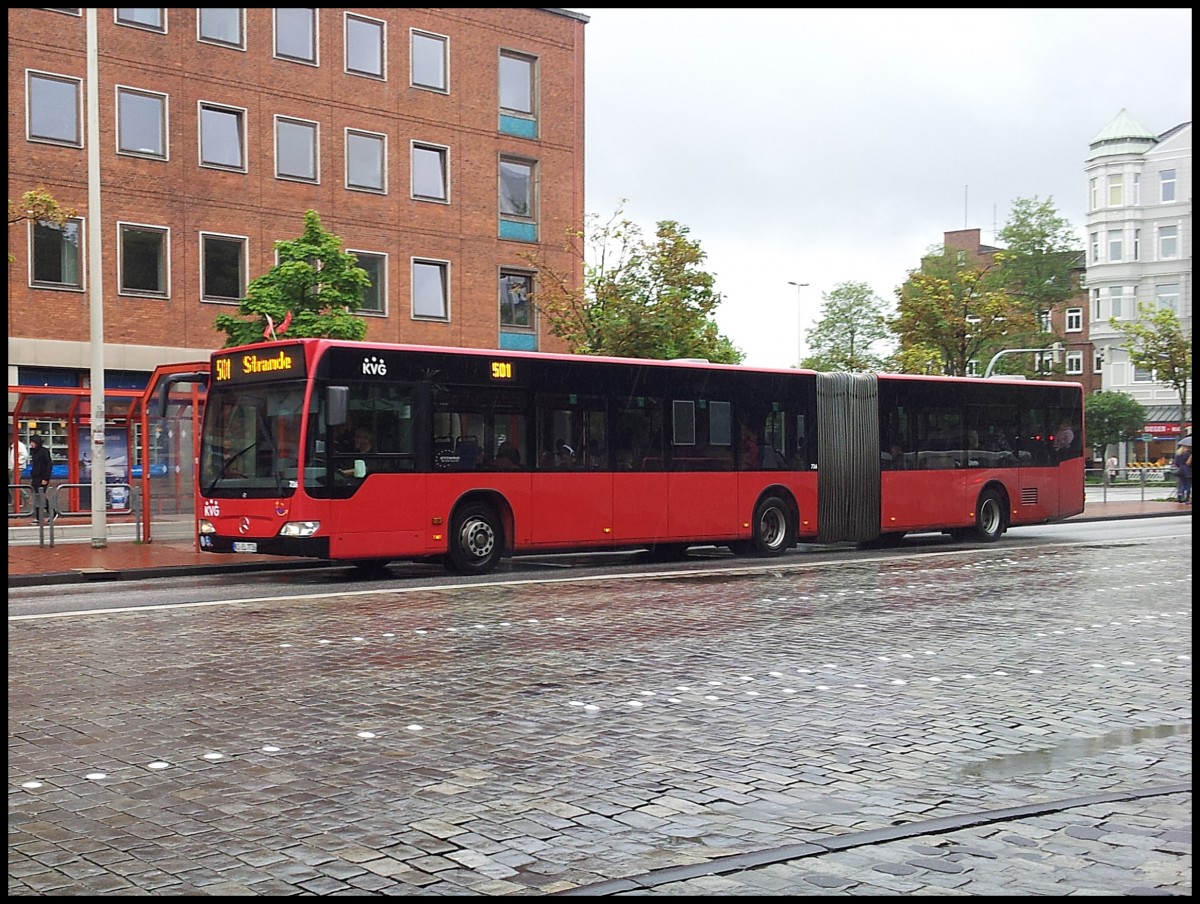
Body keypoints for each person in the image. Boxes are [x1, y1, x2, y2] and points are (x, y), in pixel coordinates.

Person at [28, 434, 53, 524]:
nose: (31, 444)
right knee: (37, 497)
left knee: (40, 496)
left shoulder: (44, 452)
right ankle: (39, 517)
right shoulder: (34, 452)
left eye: (33, 442)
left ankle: (51, 513)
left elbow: (48, 465)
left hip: (42, 477)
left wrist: (46, 478)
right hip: (36, 477)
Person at [9, 429, 29, 511]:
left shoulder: (19, 445)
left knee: (15, 484)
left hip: (17, 468)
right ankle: (15, 501)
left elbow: (25, 455)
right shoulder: (12, 446)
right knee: (12, 485)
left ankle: (25, 496)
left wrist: (18, 463)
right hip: (12, 468)